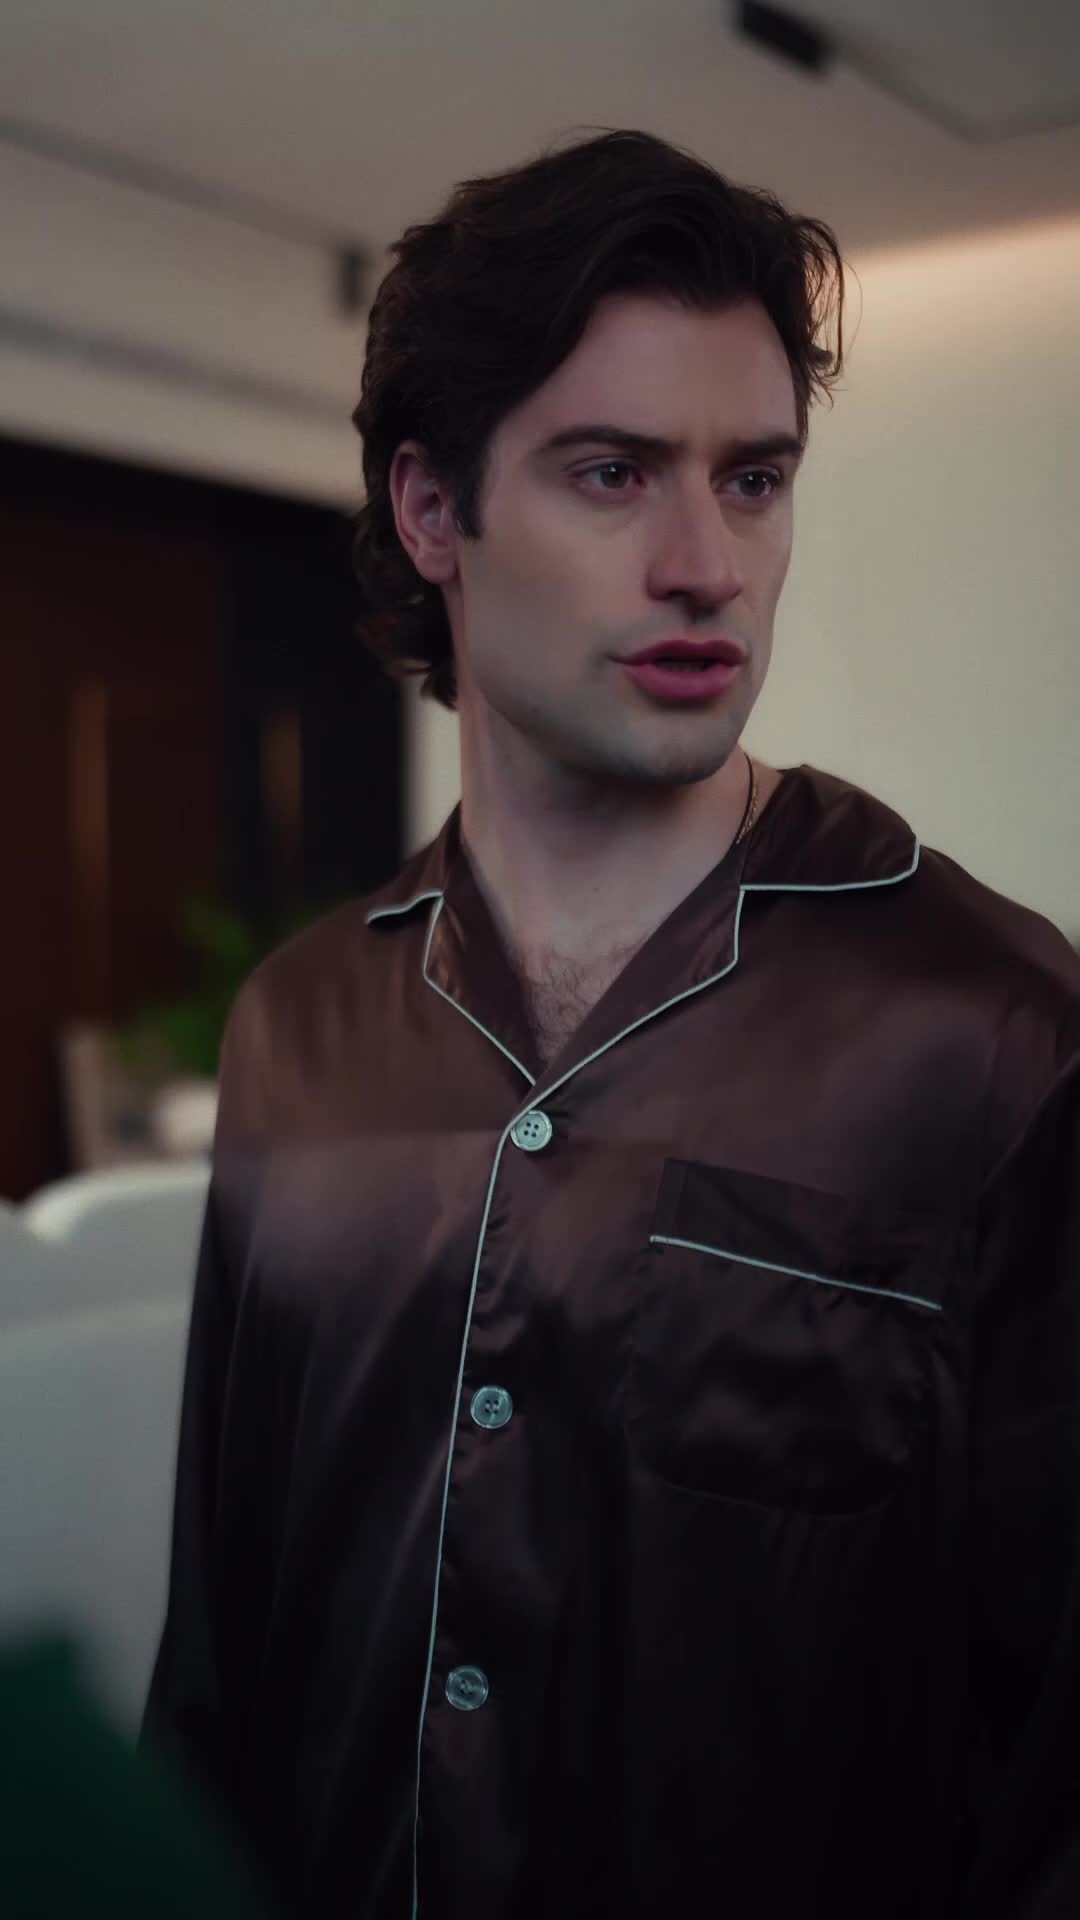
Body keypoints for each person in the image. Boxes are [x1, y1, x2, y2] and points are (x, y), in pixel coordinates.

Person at [142, 128, 1080, 1918]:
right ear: (434, 513)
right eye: (611, 473)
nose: (706, 562)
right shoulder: (300, 1024)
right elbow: (223, 1661)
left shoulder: (992, 1036)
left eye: (755, 479)